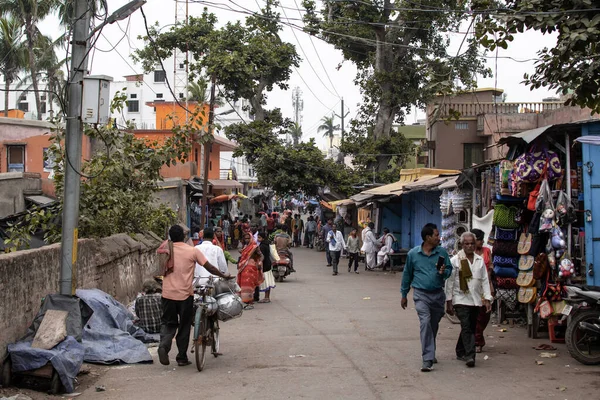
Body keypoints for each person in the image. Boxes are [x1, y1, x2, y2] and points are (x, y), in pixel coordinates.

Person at [158, 225, 231, 367]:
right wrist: (223, 275)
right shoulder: (192, 251)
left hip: (167, 294)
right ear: (184, 237)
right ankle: (181, 357)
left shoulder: (166, 250)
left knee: (168, 323)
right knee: (184, 326)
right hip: (185, 295)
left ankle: (164, 346)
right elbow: (209, 267)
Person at [400, 223, 452, 372]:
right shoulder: (413, 254)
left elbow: (449, 270)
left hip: (437, 295)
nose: (439, 237)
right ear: (428, 237)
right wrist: (404, 294)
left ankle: (431, 349)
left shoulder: (442, 252)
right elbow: (407, 275)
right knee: (425, 322)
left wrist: (444, 271)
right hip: (421, 295)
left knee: (433, 325)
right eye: (436, 235)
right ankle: (427, 359)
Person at [445, 232, 493, 368]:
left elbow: (484, 280)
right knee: (466, 325)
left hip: (476, 300)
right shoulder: (455, 260)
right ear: (462, 245)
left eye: (472, 243)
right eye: (467, 244)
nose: (470, 246)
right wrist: (448, 301)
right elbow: (449, 282)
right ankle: (470, 355)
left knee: (470, 326)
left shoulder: (479, 261)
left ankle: (460, 350)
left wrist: (488, 299)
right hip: (460, 298)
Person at [471, 228, 495, 354]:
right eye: (479, 239)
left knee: (485, 315)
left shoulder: (487, 251)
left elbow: (490, 267)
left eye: (482, 239)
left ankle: (478, 336)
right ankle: (477, 341)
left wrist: (488, 284)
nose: (481, 242)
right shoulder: (467, 253)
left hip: (486, 285)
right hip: (472, 286)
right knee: (476, 315)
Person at [237, 232, 264, 310]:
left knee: (250, 285)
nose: (247, 240)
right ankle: (244, 301)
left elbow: (261, 255)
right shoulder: (244, 247)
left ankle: (249, 301)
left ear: (251, 238)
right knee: (243, 285)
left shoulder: (254, 246)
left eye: (248, 238)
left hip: (251, 268)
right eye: (245, 238)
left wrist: (260, 262)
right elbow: (242, 254)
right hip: (243, 268)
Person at [257, 231, 275, 303]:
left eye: (259, 237)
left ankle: (266, 297)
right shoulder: (267, 244)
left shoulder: (262, 246)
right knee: (268, 281)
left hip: (264, 265)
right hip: (268, 264)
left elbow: (262, 257)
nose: (258, 239)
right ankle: (267, 297)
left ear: (263, 238)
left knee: (266, 281)